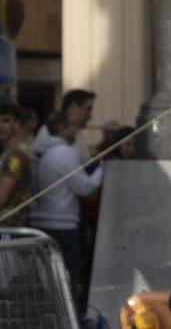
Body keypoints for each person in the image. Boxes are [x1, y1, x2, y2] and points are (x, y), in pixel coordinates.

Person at [30, 112, 102, 292]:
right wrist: (101, 169)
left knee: (44, 278)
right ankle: (69, 319)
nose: (75, 132)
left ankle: (51, 319)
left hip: (39, 223)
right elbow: (85, 188)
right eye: (72, 128)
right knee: (66, 277)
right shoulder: (64, 153)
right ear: (62, 129)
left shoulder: (39, 151)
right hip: (62, 226)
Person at [0, 104, 33, 226]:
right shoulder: (9, 153)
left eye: (6, 120)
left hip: (10, 226)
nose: (1, 126)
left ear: (17, 124)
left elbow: (2, 196)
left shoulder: (16, 155)